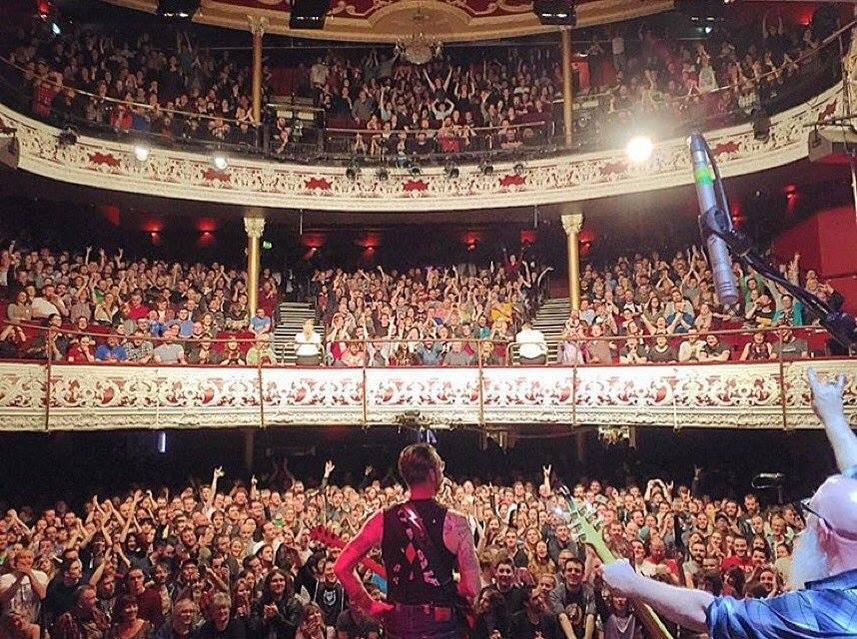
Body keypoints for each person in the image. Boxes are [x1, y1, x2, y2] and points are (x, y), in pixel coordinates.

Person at [601, 369, 857, 639]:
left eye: (811, 522)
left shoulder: (814, 612)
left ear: (826, 533)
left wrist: (633, 583)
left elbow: (708, 613)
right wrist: (834, 418)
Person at [334, 443, 480, 639]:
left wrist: (371, 606)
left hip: (398, 625)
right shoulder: (457, 522)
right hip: (441, 625)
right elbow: (472, 587)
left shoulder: (381, 519)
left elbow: (341, 567)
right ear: (432, 472)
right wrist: (452, 580)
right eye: (440, 467)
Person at [549, 558, 595, 639]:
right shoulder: (555, 593)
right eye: (569, 570)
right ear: (563, 573)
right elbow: (562, 616)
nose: (573, 573)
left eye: (577, 571)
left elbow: (590, 616)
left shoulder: (590, 593)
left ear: (583, 575)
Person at [0, 549, 48, 625]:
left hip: (32, 621)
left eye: (29, 557)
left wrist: (29, 574)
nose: (26, 560)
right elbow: (4, 598)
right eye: (23, 557)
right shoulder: (6, 578)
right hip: (10, 621)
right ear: (16, 561)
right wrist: (20, 577)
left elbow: (42, 595)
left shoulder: (41, 575)